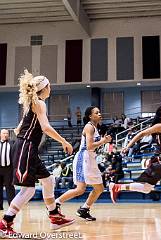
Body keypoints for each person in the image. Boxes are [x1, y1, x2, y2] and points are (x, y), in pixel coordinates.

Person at [0, 70, 74, 236]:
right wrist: (64, 141)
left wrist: (22, 130)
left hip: (27, 147)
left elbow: (19, 127)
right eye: (49, 85)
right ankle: (5, 223)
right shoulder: (39, 103)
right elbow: (46, 128)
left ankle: (55, 217)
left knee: (48, 180)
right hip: (26, 147)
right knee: (28, 190)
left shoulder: (32, 103)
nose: (51, 88)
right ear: (45, 88)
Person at [54, 106, 111, 221]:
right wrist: (103, 141)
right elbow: (89, 146)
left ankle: (84, 209)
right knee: (80, 189)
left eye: (100, 112)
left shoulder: (95, 127)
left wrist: (103, 142)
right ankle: (55, 204)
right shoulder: (89, 127)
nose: (100, 114)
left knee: (99, 188)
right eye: (97, 112)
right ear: (90, 116)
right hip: (83, 158)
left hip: (90, 158)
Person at [0, 129, 15, 211]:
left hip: (8, 169)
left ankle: (11, 206)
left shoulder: (12, 143)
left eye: (6, 133)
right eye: (4, 133)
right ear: (0, 134)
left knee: (10, 187)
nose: (5, 134)